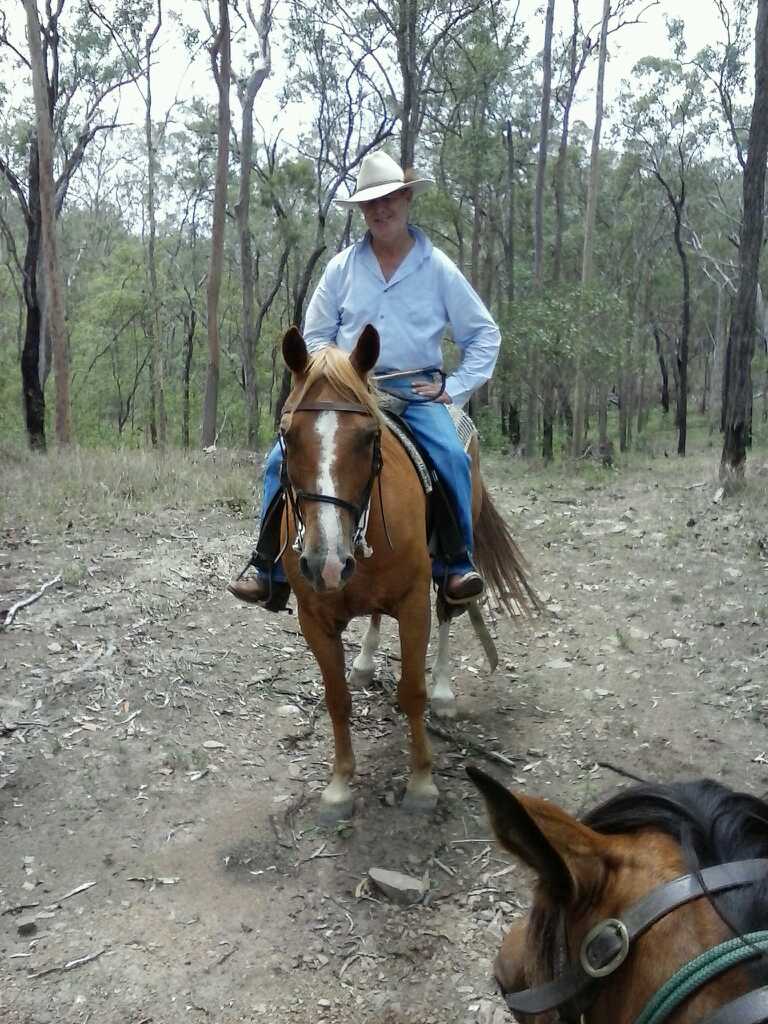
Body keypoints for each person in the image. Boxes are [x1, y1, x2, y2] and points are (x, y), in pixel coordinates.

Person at [229, 149, 501, 610]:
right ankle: (267, 568)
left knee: (452, 456)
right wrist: (338, 374)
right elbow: (316, 335)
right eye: (371, 203)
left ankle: (456, 564)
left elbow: (484, 334)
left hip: (415, 392)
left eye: (389, 199)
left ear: (406, 200)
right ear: (361, 211)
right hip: (349, 395)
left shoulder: (438, 268)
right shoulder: (342, 268)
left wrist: (453, 389)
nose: (381, 209)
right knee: (278, 460)